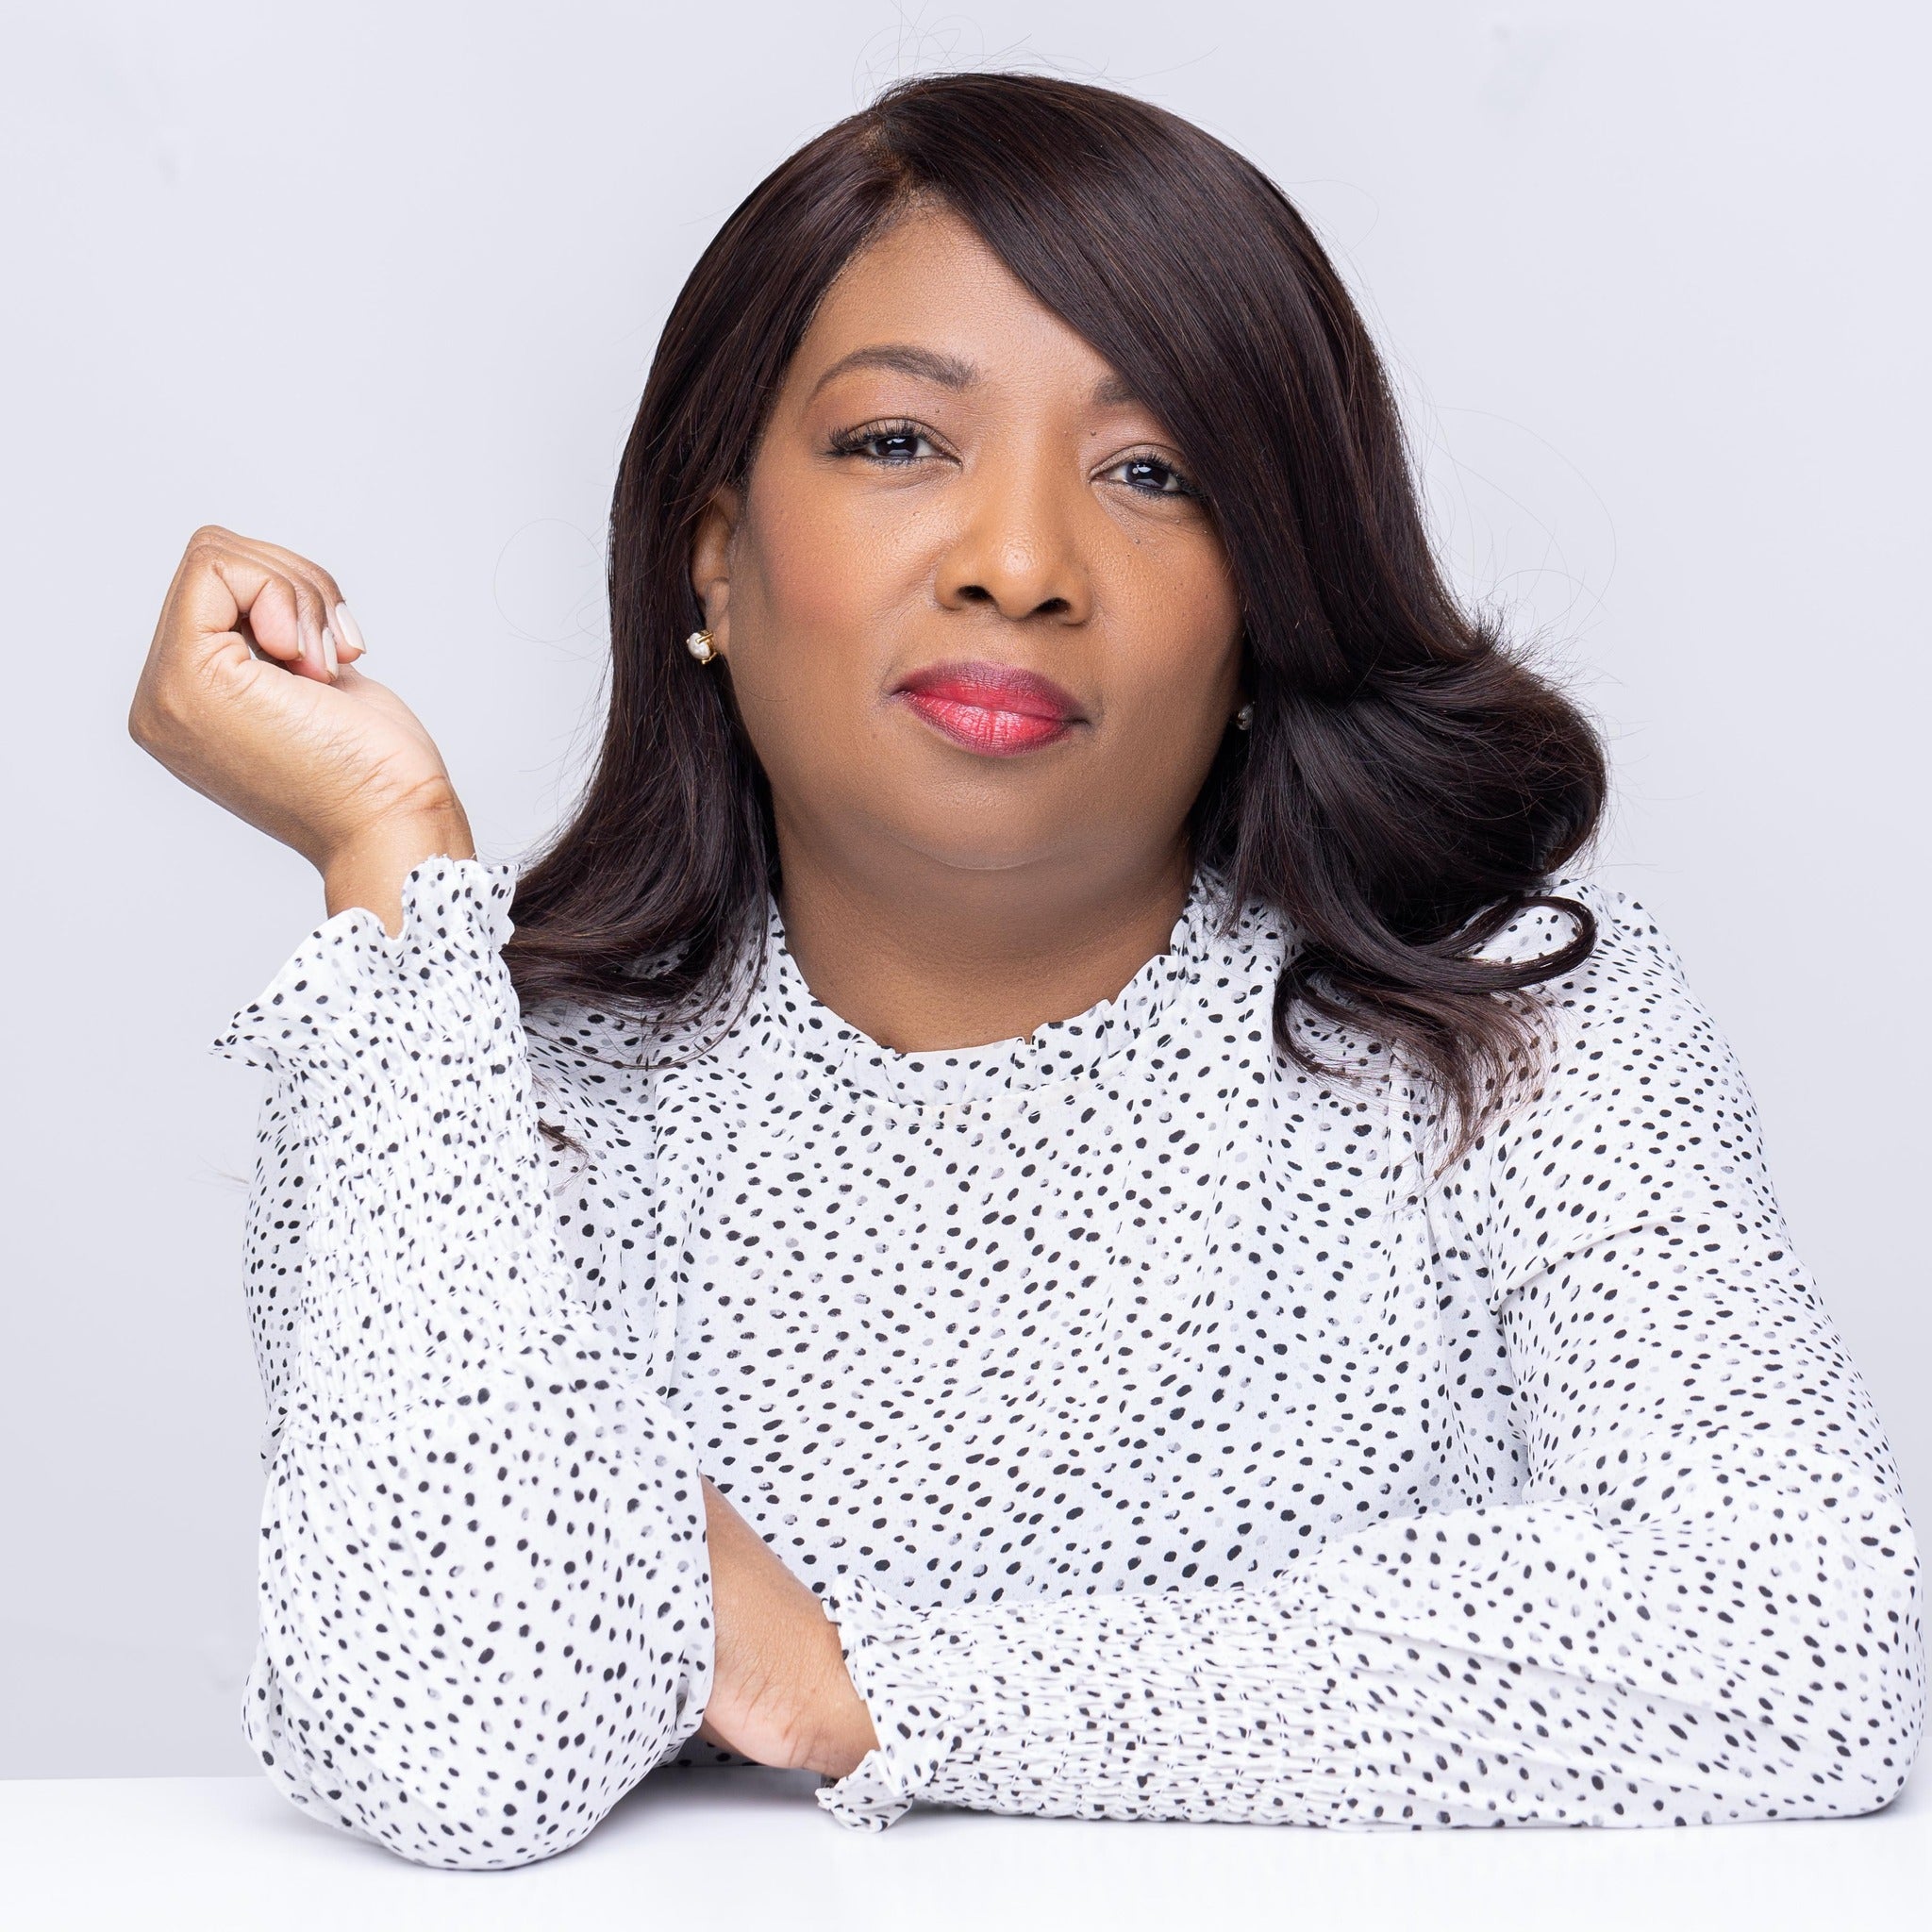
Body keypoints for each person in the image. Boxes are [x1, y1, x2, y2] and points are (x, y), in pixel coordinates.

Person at [129, 71, 1923, 1870]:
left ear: (1267, 600)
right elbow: (448, 1750)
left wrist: (872, 1692)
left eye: (1154, 473)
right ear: (714, 554)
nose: (1019, 564)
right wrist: (390, 851)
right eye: (900, 442)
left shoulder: (1515, 1035)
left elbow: (1805, 1648)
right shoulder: (473, 1078)